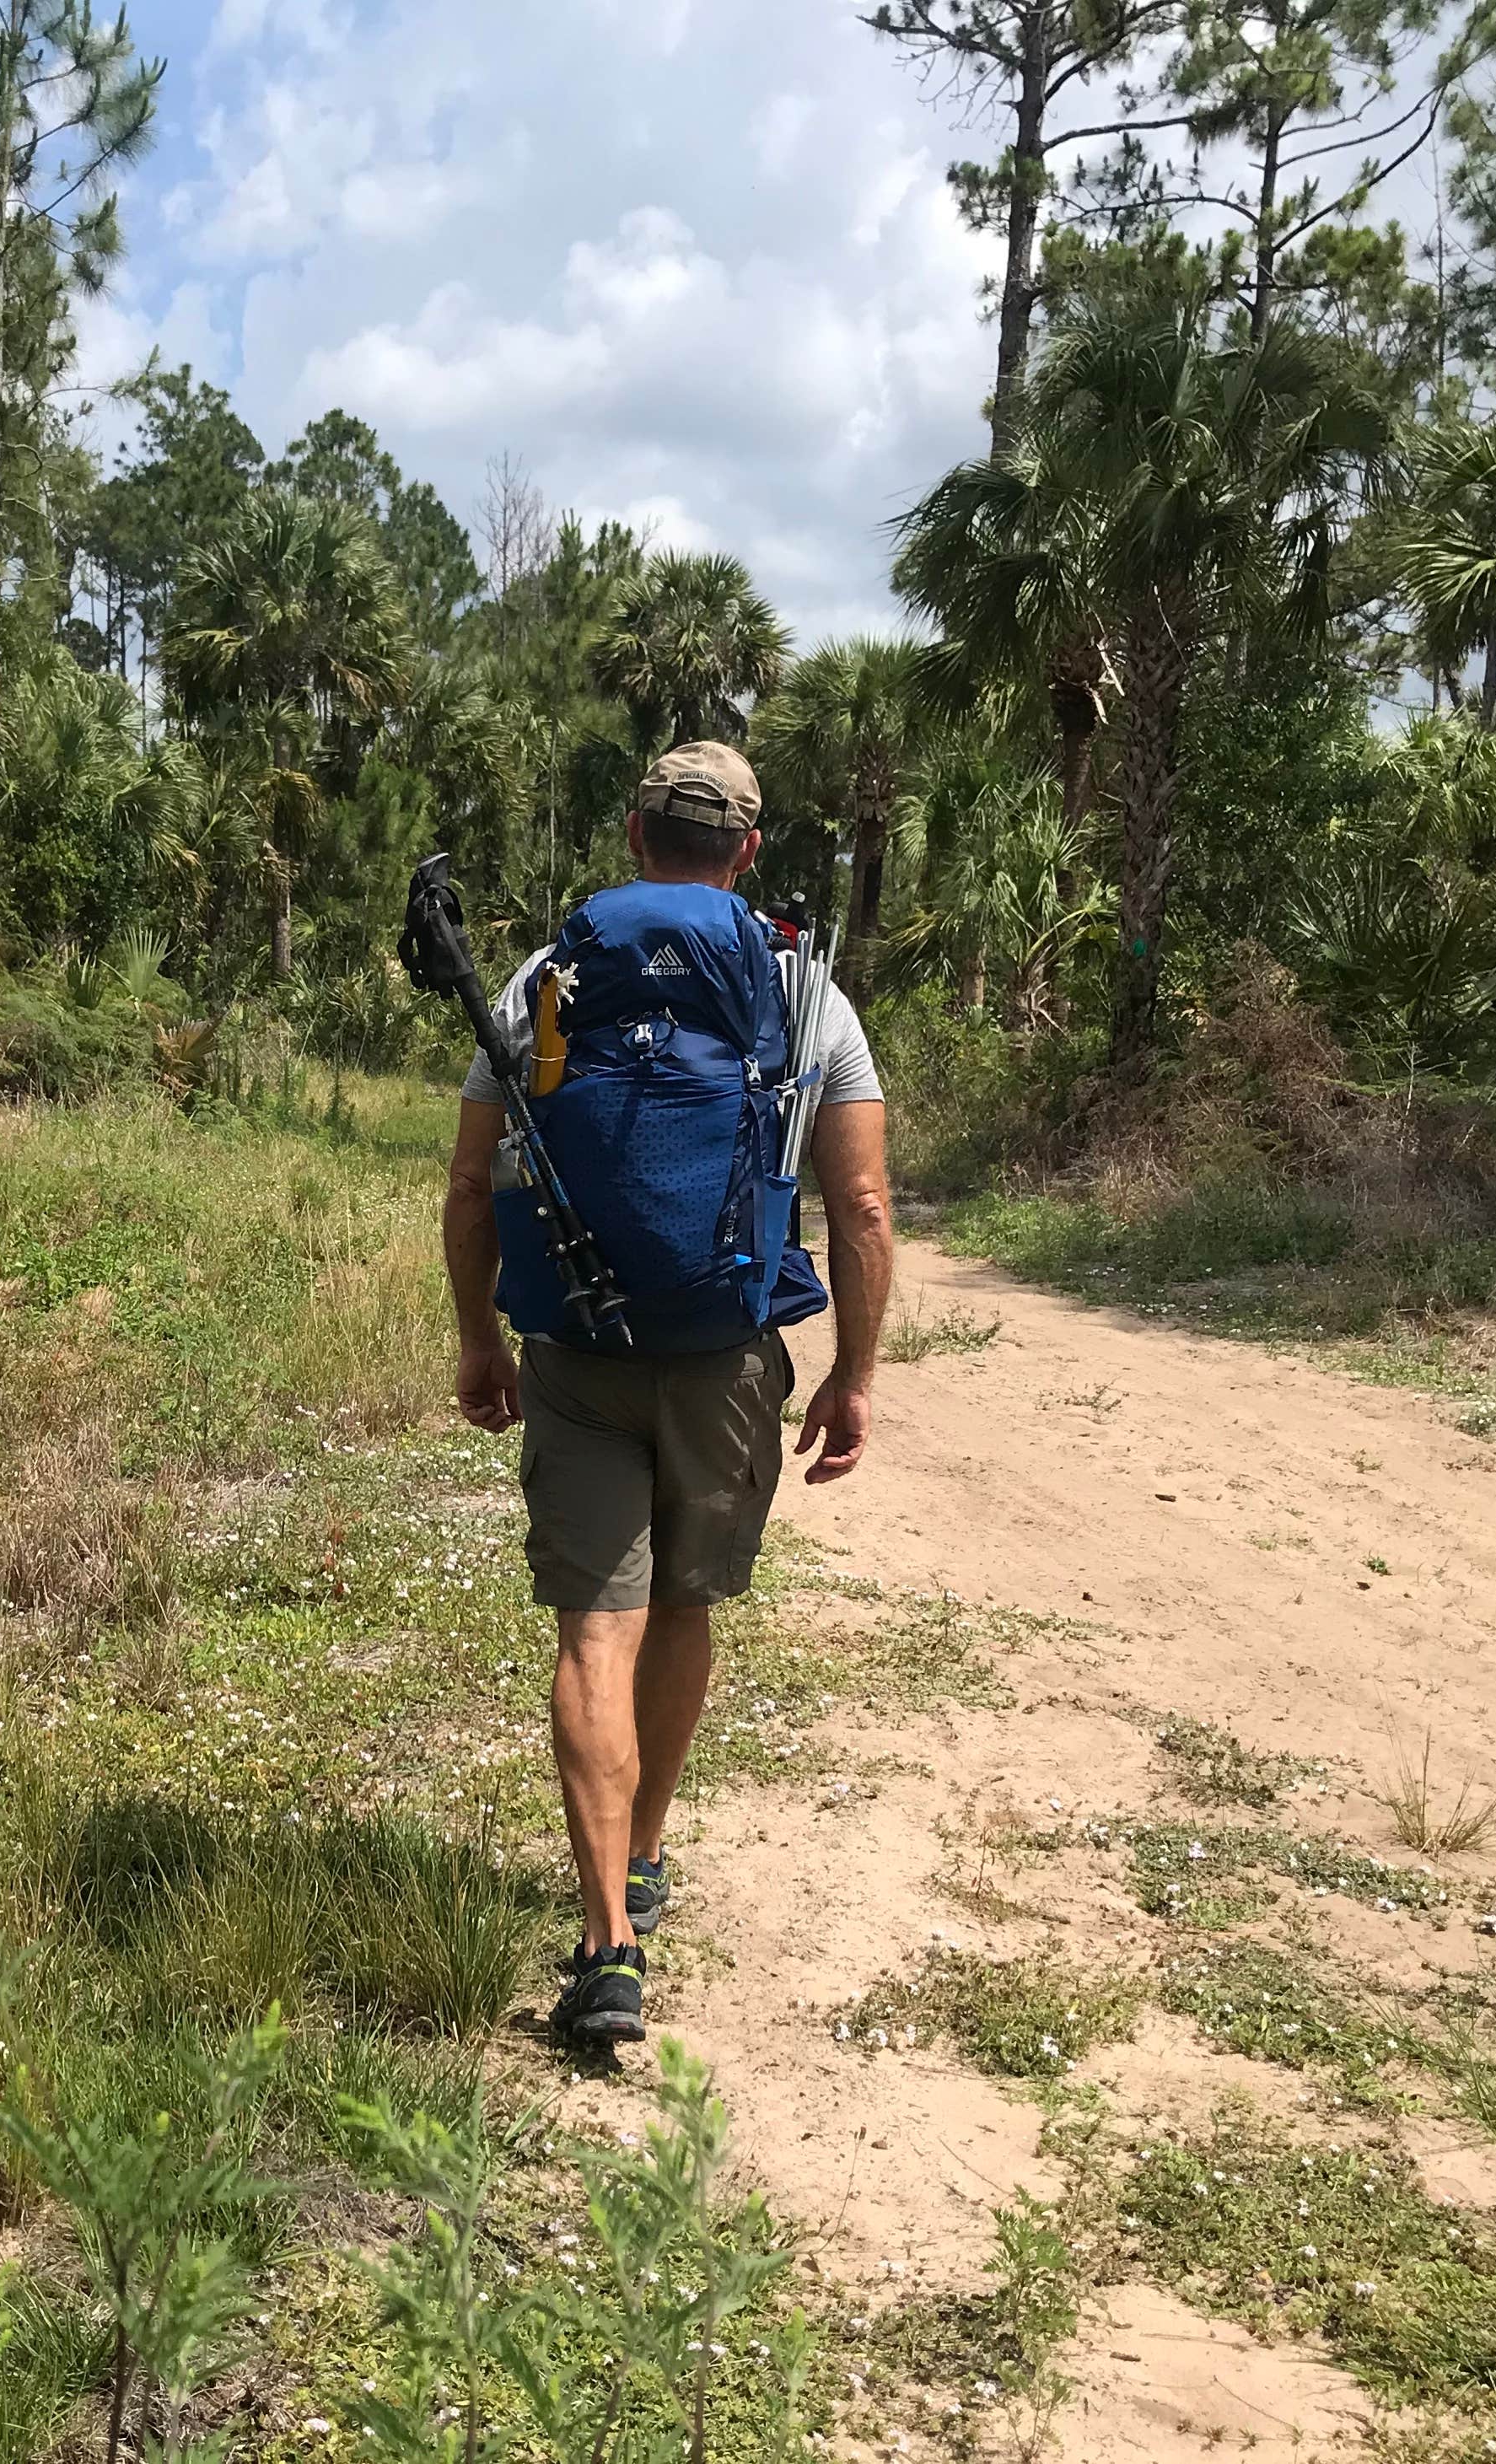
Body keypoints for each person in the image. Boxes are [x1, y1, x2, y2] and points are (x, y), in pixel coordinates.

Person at [439, 743, 895, 2047]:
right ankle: (641, 1852)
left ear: (635, 833)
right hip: (728, 1356)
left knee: (597, 1626)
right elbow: (857, 1201)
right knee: (684, 1603)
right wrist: (852, 1376)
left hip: (577, 1347)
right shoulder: (805, 994)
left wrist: (480, 1340)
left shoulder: (544, 979)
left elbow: (473, 1186)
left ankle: (606, 1945)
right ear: (745, 851)